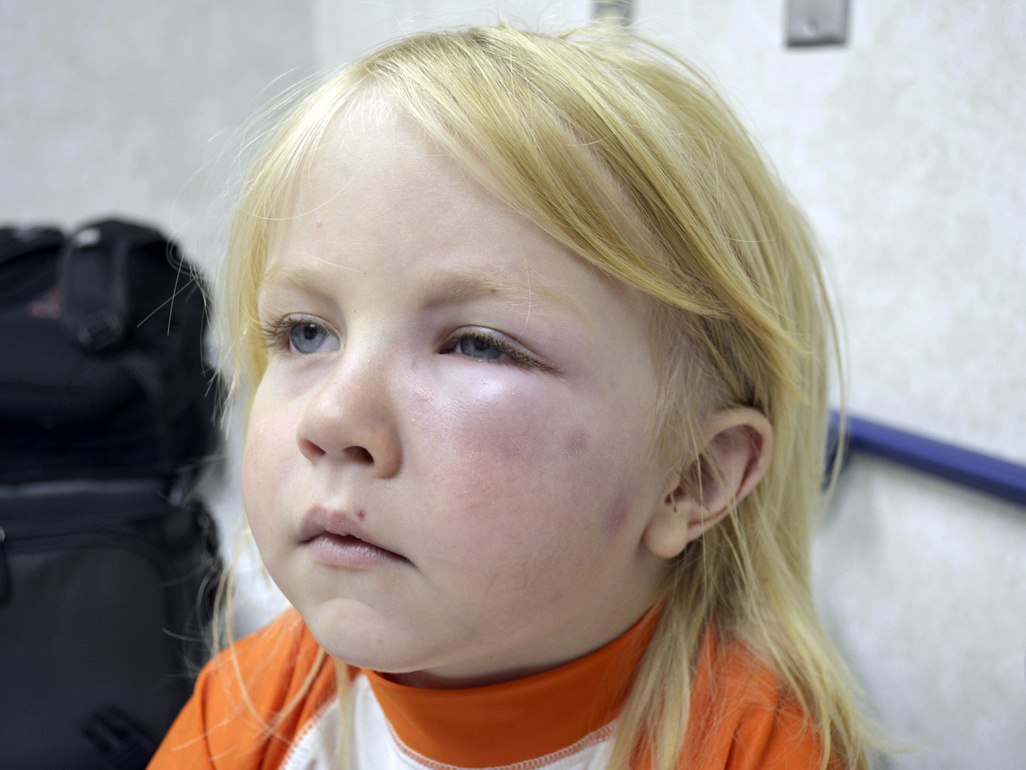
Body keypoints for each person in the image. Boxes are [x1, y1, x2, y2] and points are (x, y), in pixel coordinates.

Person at [148, 23, 875, 770]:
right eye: (305, 333)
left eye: (478, 344)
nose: (332, 418)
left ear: (690, 477)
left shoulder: (761, 748)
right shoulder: (249, 702)